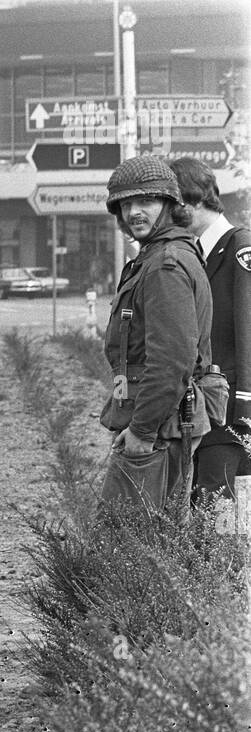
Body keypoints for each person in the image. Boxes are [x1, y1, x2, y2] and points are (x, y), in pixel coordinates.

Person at [99, 155, 213, 515]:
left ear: (169, 205)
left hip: (160, 427)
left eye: (145, 201)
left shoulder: (165, 264)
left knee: (127, 542)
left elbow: (171, 361)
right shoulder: (156, 256)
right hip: (156, 422)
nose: (134, 212)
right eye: (127, 203)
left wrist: (142, 432)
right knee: (148, 538)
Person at [169, 157, 251, 502]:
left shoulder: (239, 247)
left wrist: (245, 402)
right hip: (207, 404)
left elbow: (247, 332)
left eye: (174, 207)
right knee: (207, 501)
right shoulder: (198, 251)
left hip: (230, 404)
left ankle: (227, 558)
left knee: (220, 505)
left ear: (195, 200)